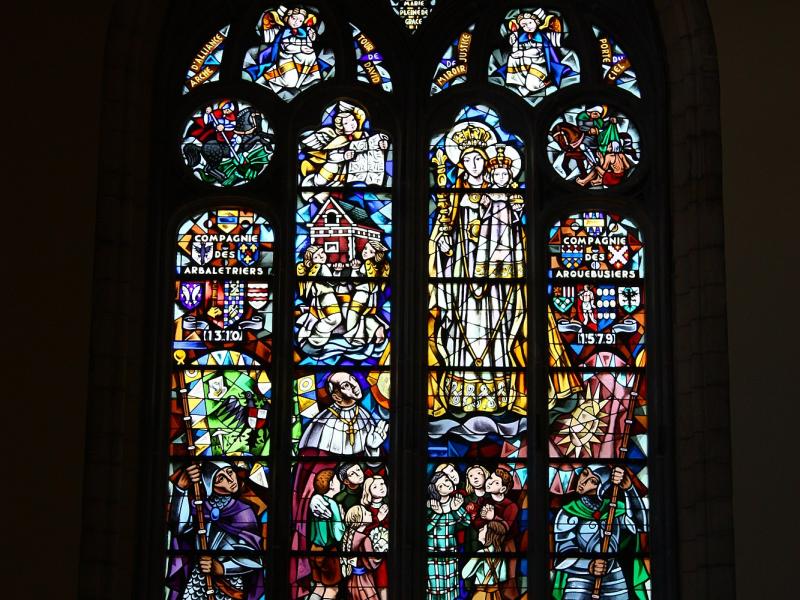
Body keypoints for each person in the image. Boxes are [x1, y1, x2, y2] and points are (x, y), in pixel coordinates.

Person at [429, 123, 526, 416]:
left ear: (487, 161)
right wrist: (442, 240)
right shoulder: (453, 196)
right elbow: (442, 230)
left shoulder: (501, 194)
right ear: (461, 163)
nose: (473, 164)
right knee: (461, 325)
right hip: (461, 268)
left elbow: (513, 234)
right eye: (467, 159)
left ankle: (497, 391)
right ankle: (462, 390)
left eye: (478, 158)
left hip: (495, 274)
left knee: (497, 325)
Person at [166, 462, 264, 600]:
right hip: (199, 579)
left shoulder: (243, 512)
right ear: (210, 485)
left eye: (230, 472)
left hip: (230, 584)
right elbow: (180, 529)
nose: (230, 480)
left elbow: (253, 556)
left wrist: (222, 567)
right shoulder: (199, 507)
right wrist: (181, 489)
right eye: (220, 478)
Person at [552, 466, 649, 600]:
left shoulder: (615, 509)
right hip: (579, 580)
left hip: (615, 580)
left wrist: (629, 489)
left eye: (593, 481)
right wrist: (589, 565)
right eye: (584, 474)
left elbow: (640, 525)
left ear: (602, 488)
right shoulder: (568, 512)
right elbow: (561, 556)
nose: (583, 482)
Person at [300, 102, 390, 188]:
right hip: (338, 170)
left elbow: (374, 144)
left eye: (353, 120)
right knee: (330, 169)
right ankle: (314, 183)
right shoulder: (339, 140)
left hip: (359, 172)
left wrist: (381, 144)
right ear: (341, 126)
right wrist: (344, 156)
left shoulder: (364, 135)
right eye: (346, 123)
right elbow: (331, 156)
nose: (352, 124)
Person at [299, 372, 388, 456]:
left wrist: (373, 449)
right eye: (346, 385)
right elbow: (310, 461)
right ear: (336, 397)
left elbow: (375, 464)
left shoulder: (365, 416)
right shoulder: (322, 422)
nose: (355, 385)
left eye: (353, 379)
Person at [245, 7, 321, 95]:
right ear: (288, 17)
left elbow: (308, 45)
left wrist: (312, 37)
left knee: (312, 66)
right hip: (285, 59)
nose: (296, 22)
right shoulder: (284, 31)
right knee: (291, 82)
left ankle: (306, 86)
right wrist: (300, 49)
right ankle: (266, 79)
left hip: (299, 59)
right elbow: (286, 47)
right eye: (294, 18)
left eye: (300, 21)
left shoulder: (303, 32)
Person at [504, 9, 572, 96]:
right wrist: (514, 43)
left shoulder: (542, 37)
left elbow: (538, 52)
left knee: (532, 86)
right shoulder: (522, 37)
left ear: (537, 22)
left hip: (541, 64)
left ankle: (549, 81)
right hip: (526, 64)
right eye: (524, 25)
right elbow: (516, 53)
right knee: (512, 57)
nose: (527, 26)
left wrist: (522, 53)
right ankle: (519, 83)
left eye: (530, 23)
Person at [426, 471, 471, 600]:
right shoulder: (430, 505)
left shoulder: (455, 502)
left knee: (449, 586)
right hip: (432, 553)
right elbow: (424, 529)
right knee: (434, 588)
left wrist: (457, 509)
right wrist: (437, 513)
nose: (447, 484)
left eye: (446, 480)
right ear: (436, 490)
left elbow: (467, 522)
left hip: (450, 551)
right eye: (441, 485)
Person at [307, 469, 346, 600]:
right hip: (329, 552)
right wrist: (342, 519)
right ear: (331, 484)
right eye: (336, 480)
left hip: (314, 549)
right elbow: (338, 534)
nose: (340, 483)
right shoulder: (332, 504)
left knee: (318, 588)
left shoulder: (316, 503)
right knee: (332, 589)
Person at [296, 245, 343, 348]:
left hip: (317, 297)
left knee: (313, 317)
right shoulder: (322, 267)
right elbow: (332, 282)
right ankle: (316, 336)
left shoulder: (313, 269)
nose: (321, 256)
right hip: (326, 296)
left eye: (322, 253)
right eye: (316, 256)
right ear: (311, 260)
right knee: (334, 319)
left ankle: (305, 330)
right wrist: (337, 271)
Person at [344, 240, 390, 346]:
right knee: (365, 316)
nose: (365, 252)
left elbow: (357, 281)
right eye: (365, 249)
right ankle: (377, 329)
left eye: (370, 251)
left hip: (361, 295)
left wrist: (355, 269)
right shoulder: (381, 266)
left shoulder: (368, 264)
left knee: (352, 316)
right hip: (372, 298)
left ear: (377, 255)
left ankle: (355, 339)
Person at [340, 505, 388, 600]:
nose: (370, 513)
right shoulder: (364, 539)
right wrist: (383, 551)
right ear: (360, 521)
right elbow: (372, 563)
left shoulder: (348, 536)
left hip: (353, 580)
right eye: (366, 513)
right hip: (364, 581)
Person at [461, 521, 509, 600]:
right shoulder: (501, 555)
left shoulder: (481, 553)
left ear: (489, 534)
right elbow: (503, 577)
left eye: (483, 528)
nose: (480, 530)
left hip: (481, 595)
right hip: (496, 595)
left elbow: (464, 574)